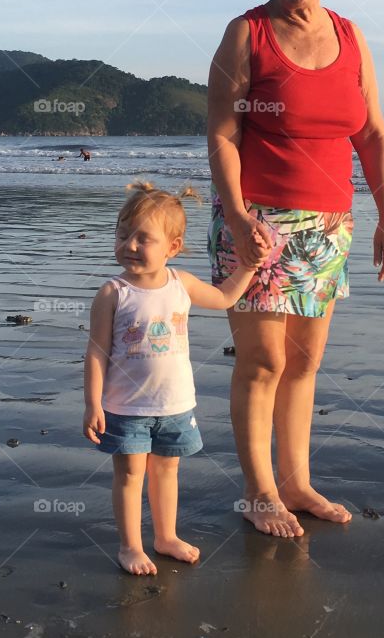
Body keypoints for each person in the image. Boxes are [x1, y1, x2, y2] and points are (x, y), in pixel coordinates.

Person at [207, 0, 384, 538]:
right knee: (261, 362)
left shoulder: (351, 36)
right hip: (257, 221)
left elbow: (371, 133)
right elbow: (222, 134)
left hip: (327, 227)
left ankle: (296, 482)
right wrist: (236, 217)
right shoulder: (246, 34)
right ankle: (259, 492)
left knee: (304, 363)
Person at [83, 182, 257, 576]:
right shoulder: (113, 293)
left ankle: (166, 536)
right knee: (130, 475)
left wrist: (248, 266)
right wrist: (92, 402)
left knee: (168, 470)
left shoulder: (182, 284)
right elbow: (96, 351)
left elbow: (226, 297)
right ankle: (130, 546)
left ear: (172, 247)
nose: (129, 245)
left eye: (143, 238)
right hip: (125, 407)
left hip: (176, 404)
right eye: (122, 234)